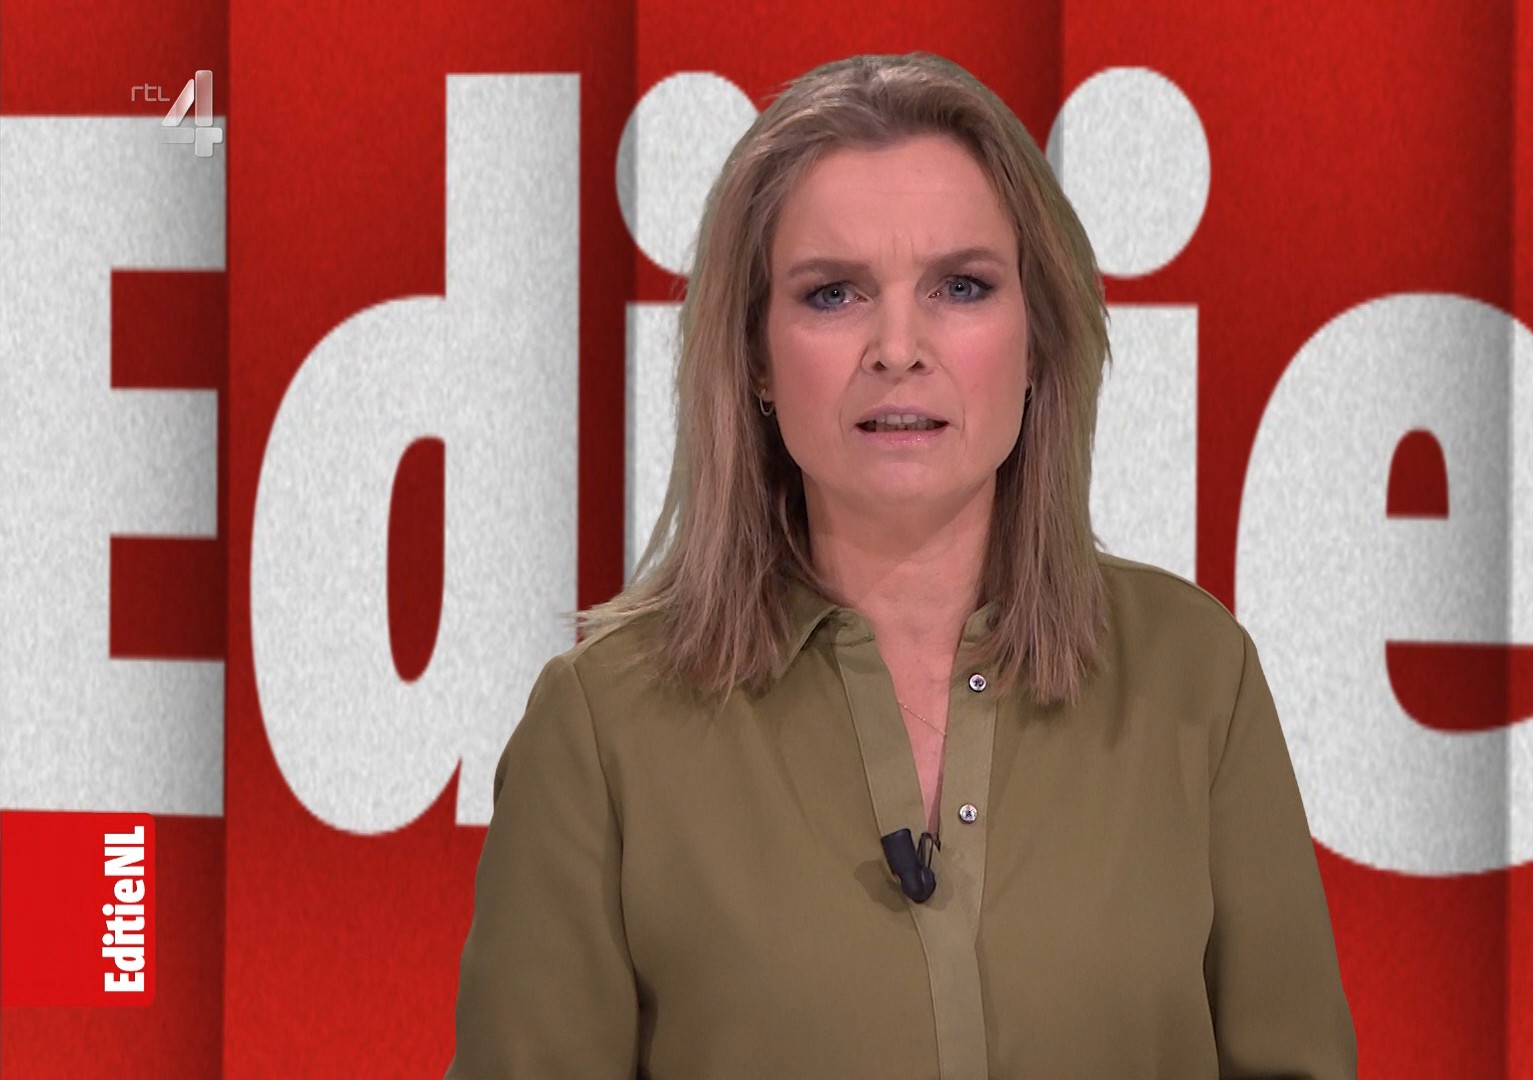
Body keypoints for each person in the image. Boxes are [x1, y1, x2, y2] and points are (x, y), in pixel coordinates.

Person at [446, 51, 1355, 1080]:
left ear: (1038, 339)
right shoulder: (603, 727)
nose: (898, 346)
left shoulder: (1197, 675)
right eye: (833, 294)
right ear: (755, 358)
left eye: (961, 287)